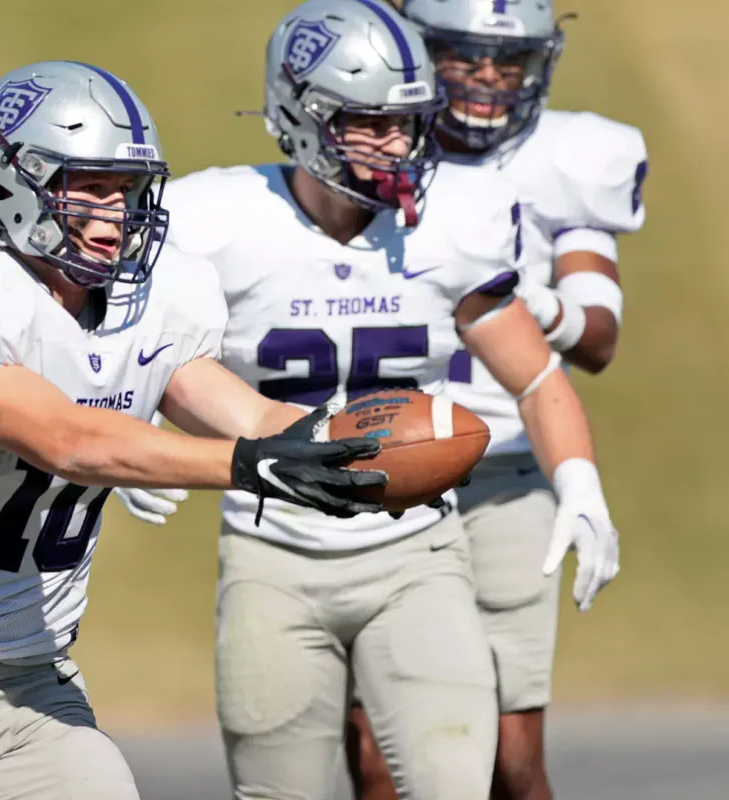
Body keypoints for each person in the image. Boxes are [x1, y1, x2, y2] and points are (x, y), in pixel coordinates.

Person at [0, 59, 389, 800]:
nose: (118, 215)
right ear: (14, 180)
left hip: (31, 689)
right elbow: (64, 440)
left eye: (131, 191)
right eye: (93, 189)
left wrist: (374, 450)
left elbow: (256, 419)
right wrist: (247, 465)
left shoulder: (164, 293)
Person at [125, 0, 621, 796]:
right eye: (370, 124)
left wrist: (579, 479)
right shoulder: (217, 220)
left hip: (418, 553)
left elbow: (535, 375)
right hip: (272, 550)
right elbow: (141, 345)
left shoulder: (450, 223)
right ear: (299, 114)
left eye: (410, 123)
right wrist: (143, 423)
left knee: (456, 780)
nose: (400, 144)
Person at [346, 2, 647, 798]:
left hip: (509, 467)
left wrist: (524, 302)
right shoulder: (363, 144)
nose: (487, 80)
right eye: (464, 57)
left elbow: (600, 337)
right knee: (377, 757)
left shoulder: (571, 158)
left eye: (506, 62)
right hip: (383, 473)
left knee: (513, 760)